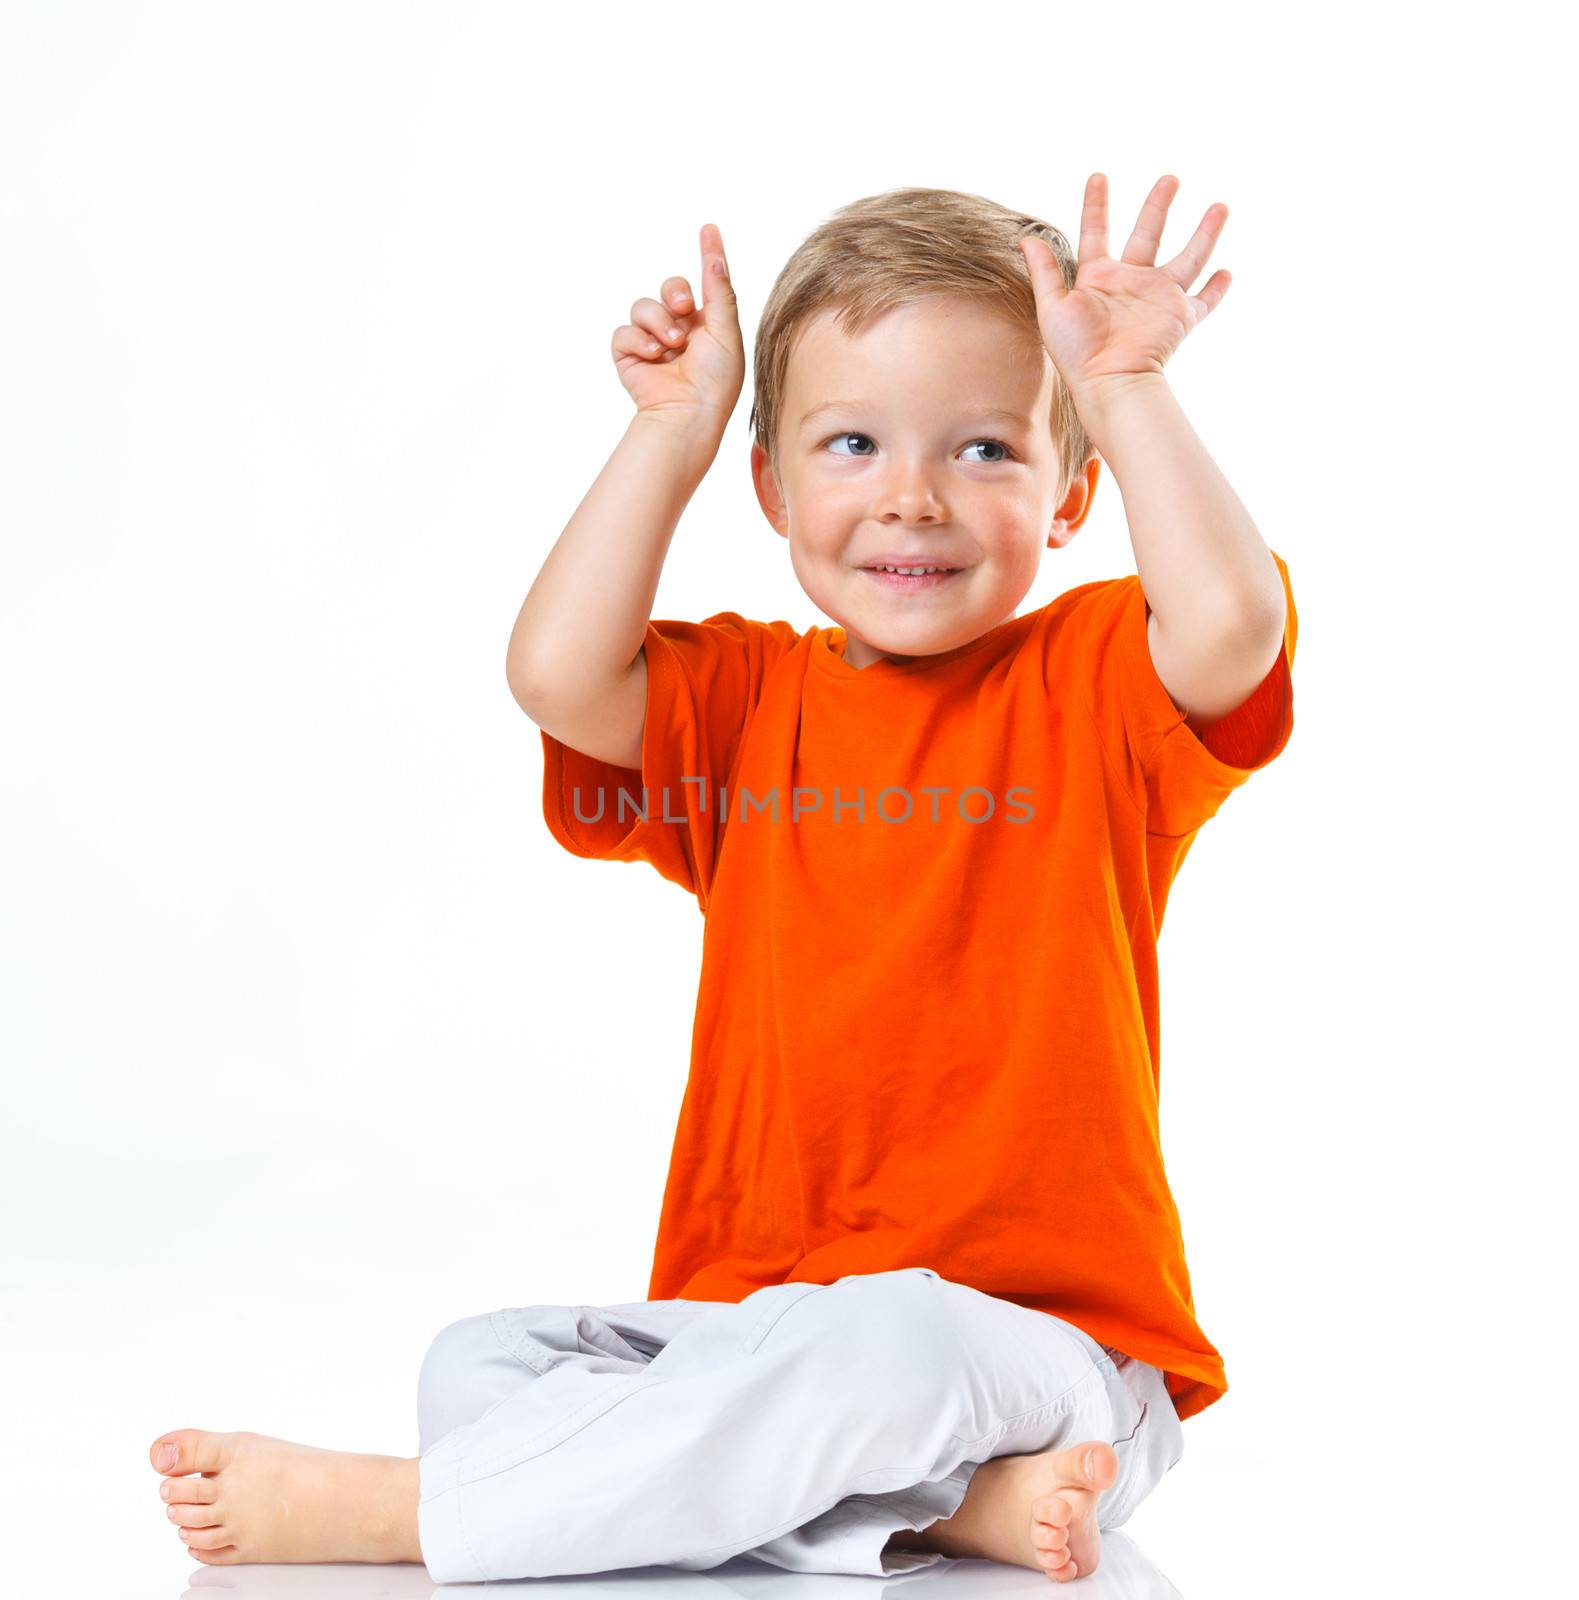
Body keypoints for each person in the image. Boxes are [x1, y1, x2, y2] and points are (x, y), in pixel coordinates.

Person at [147, 174, 1296, 1584]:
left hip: (1047, 1354)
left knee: (887, 1345)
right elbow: (560, 675)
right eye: (854, 443)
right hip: (758, 1325)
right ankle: (943, 1512)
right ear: (774, 487)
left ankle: (415, 1517)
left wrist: (1122, 388)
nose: (914, 496)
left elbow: (1236, 619)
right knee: (482, 1365)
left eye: (989, 447)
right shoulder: (750, 702)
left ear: (1071, 496)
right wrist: (669, 430)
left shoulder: (1101, 682)